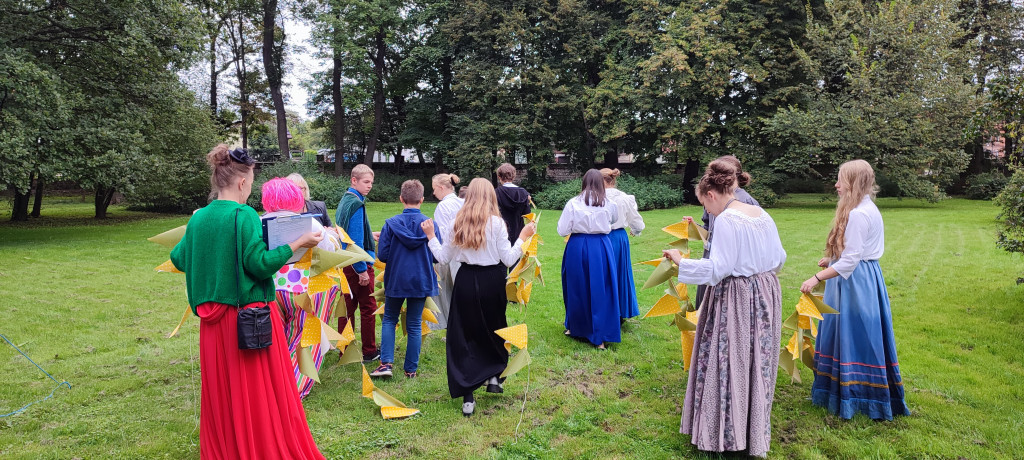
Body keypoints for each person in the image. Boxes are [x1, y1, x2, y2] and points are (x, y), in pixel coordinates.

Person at [170, 145, 325, 459]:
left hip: (213, 325)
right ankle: (261, 449)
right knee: (258, 393)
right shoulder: (244, 215)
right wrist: (299, 242)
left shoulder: (199, 218)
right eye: (251, 182)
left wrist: (213, 261)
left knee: (223, 393)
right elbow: (259, 264)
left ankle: (228, 449)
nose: (250, 188)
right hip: (250, 322)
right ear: (242, 182)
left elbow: (179, 258)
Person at [662, 158, 786, 458]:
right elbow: (780, 258)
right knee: (756, 361)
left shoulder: (728, 219)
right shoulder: (761, 214)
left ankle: (726, 434)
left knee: (730, 360)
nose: (708, 212)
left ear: (712, 194)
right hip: (766, 293)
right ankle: (750, 430)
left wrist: (681, 262)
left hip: (737, 297)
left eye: (705, 205)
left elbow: (718, 269)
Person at [799, 159, 910, 421]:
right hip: (863, 277)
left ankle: (857, 397)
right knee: (850, 333)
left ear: (853, 183)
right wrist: (832, 259)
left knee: (855, 334)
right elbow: (855, 252)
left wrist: (816, 278)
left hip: (855, 283)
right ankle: (842, 393)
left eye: (841, 180)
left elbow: (851, 261)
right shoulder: (866, 207)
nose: (836, 185)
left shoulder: (859, 214)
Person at [421, 178, 536, 417]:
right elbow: (508, 259)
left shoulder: (457, 223)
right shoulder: (497, 223)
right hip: (492, 280)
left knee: (465, 334)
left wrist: (431, 236)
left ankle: (469, 393)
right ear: (491, 196)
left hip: (466, 280)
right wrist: (523, 237)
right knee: (494, 328)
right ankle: (494, 375)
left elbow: (442, 258)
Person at [260, 178, 342, 399]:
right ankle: (293, 391)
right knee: (306, 338)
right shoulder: (309, 223)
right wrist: (333, 236)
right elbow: (329, 251)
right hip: (308, 289)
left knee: (278, 338)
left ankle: (273, 384)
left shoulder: (260, 222)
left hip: (271, 288)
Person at [371, 180, 438, 378]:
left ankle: (386, 364)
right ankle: (411, 370)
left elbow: (383, 255)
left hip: (397, 278)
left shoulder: (390, 224)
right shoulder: (430, 226)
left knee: (390, 319)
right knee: (414, 323)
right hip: (421, 279)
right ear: (422, 199)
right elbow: (436, 255)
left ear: (401, 199)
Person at [558, 169, 620, 349]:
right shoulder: (609, 203)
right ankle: (599, 336)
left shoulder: (573, 203)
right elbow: (614, 220)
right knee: (602, 287)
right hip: (601, 246)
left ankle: (576, 327)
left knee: (576, 287)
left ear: (584, 182)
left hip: (578, 246)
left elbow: (562, 230)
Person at [695, 155, 759, 310]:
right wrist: (693, 227)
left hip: (733, 269)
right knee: (705, 306)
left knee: (723, 308)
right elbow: (708, 228)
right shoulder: (713, 196)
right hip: (711, 256)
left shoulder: (746, 202)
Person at [334, 164, 380, 362]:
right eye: (366, 182)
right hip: (356, 264)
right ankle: (369, 351)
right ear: (354, 180)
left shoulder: (346, 200)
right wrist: (362, 270)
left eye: (371, 182)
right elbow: (354, 241)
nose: (369, 186)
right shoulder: (356, 204)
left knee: (347, 308)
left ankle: (345, 349)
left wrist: (369, 234)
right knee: (368, 308)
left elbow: (347, 232)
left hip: (345, 262)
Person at [600, 168, 645, 321]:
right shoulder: (625, 198)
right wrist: (636, 230)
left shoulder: (595, 197)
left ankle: (604, 311)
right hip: (618, 238)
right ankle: (619, 312)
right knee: (619, 273)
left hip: (600, 237)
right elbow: (636, 220)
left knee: (602, 274)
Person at [428, 173, 464, 330]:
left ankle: (451, 325)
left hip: (449, 253)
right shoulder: (463, 202)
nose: (434, 193)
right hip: (464, 253)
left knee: (446, 291)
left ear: (441, 187)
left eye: (434, 189)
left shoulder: (443, 206)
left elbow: (443, 235)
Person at [494, 163, 532, 245]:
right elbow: (528, 215)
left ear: (499, 177)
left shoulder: (495, 193)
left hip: (500, 233)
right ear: (514, 176)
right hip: (519, 234)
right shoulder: (523, 193)